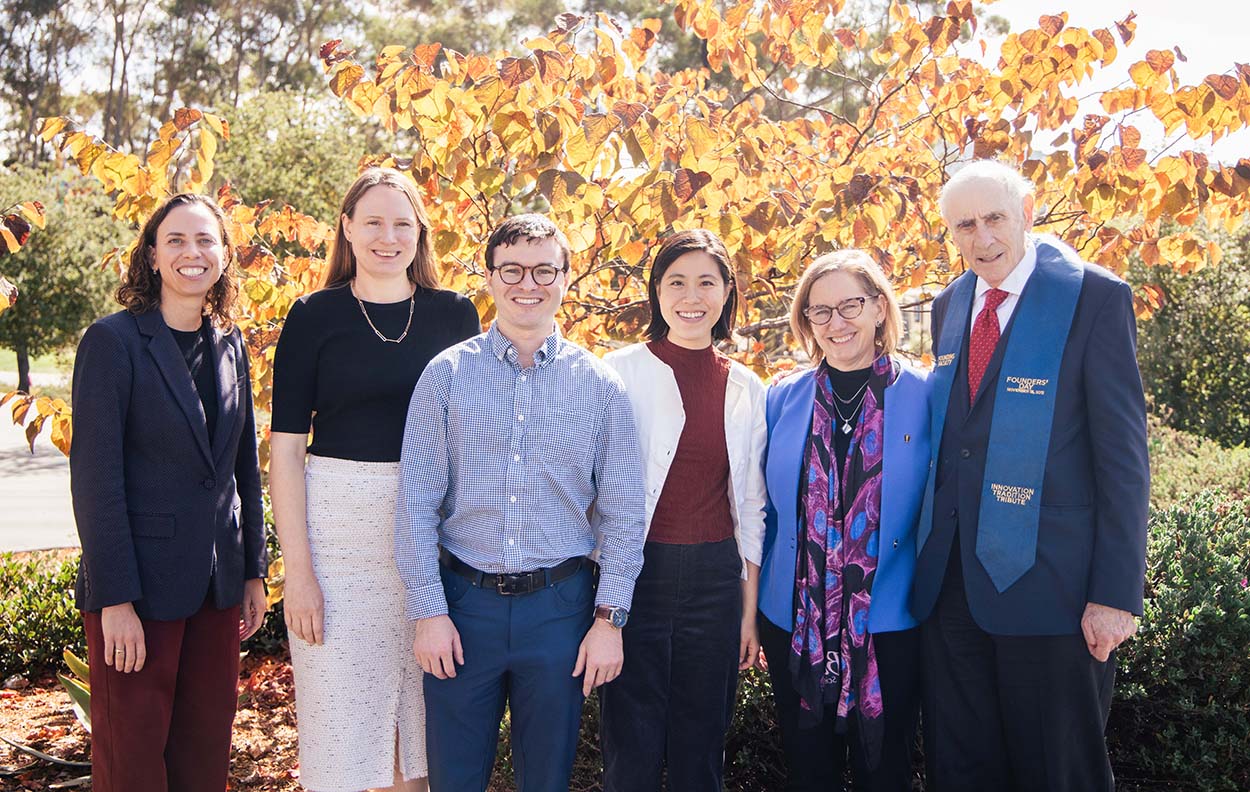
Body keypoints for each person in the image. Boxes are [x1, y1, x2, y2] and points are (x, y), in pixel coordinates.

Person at [910, 159, 1149, 791]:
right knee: (962, 768)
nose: (982, 239)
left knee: (1057, 771)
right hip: (955, 584)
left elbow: (1123, 459)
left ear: (1028, 210)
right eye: (965, 226)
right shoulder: (950, 304)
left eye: (994, 218)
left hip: (1054, 588)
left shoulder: (1095, 298)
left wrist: (1116, 594)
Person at [395, 213, 645, 792]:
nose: (526, 284)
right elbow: (415, 504)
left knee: (547, 779)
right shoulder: (446, 376)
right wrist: (429, 613)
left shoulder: (599, 384)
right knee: (454, 779)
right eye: (511, 269)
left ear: (565, 278)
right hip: (462, 609)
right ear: (488, 278)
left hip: (559, 609)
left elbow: (623, 513)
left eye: (542, 270)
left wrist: (609, 619)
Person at [269, 167, 480, 792]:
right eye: (373, 223)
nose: (388, 237)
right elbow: (285, 452)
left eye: (402, 224)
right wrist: (298, 573)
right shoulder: (312, 316)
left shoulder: (454, 315)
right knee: (341, 732)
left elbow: (471, 444)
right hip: (336, 544)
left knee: (417, 734)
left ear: (420, 233)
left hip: (430, 541)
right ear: (347, 229)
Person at [69, 192, 268, 792]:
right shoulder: (113, 343)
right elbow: (95, 480)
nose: (192, 252)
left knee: (204, 756)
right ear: (152, 256)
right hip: (140, 593)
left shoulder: (230, 344)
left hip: (217, 589)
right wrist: (116, 600)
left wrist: (253, 570)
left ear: (225, 256)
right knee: (131, 763)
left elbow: (241, 469)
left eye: (205, 240)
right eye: (175, 240)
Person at [598, 229, 766, 791]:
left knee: (702, 742)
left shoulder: (745, 386)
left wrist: (748, 610)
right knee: (632, 739)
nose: (691, 296)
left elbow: (750, 502)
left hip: (715, 579)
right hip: (635, 575)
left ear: (726, 294)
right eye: (676, 282)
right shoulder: (617, 371)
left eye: (706, 282)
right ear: (657, 292)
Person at [757, 249, 931, 791]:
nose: (837, 323)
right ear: (806, 322)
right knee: (810, 771)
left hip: (891, 622)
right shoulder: (783, 397)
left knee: (887, 772)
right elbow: (759, 510)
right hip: (795, 622)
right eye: (820, 311)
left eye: (850, 305)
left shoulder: (927, 395)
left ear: (880, 307)